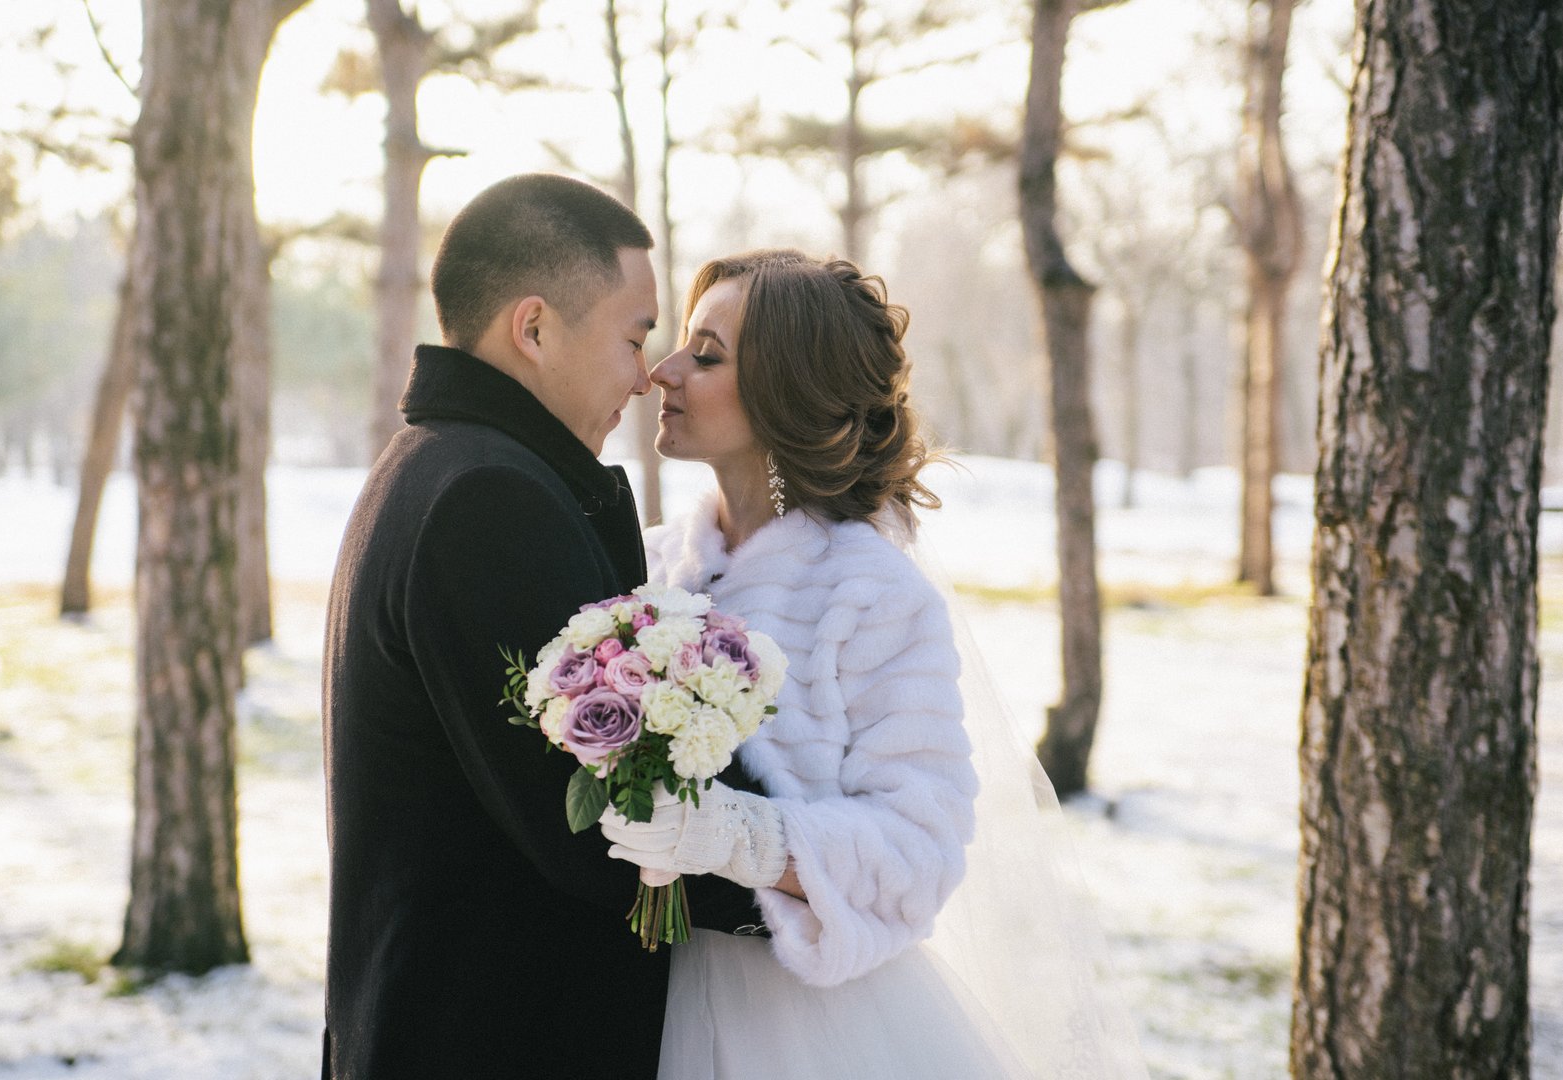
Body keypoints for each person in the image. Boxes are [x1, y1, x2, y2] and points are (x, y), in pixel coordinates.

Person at [601, 250, 1150, 1078]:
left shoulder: (873, 594)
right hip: (635, 1004)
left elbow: (919, 848)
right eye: (679, 345)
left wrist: (736, 837)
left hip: (808, 1033)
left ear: (785, 390)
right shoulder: (647, 565)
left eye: (706, 355)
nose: (664, 373)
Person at [320, 174, 764, 1080]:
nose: (646, 377)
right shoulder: (489, 500)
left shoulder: (439, 464)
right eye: (634, 336)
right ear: (533, 328)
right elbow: (594, 822)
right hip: (493, 1041)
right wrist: (821, 872)